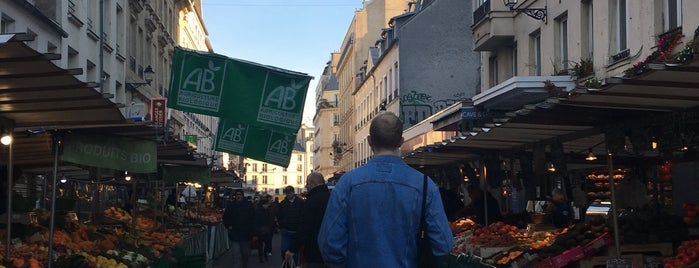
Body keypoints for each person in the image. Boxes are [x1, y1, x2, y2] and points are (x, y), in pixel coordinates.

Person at [317, 112, 454, 267]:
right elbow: (443, 244)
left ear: (369, 141)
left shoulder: (347, 183)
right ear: (401, 142)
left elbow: (329, 242)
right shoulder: (424, 185)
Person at [286, 172, 331, 268]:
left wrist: (292, 249)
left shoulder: (311, 201)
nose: (306, 186)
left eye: (307, 183)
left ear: (313, 183)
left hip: (314, 250)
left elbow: (304, 226)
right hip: (331, 249)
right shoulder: (332, 197)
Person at [223, 189, 254, 268]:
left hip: (246, 234)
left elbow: (253, 218)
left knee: (245, 254)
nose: (238, 196)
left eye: (240, 195)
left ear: (243, 196)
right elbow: (225, 217)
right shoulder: (231, 205)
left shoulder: (248, 205)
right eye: (237, 195)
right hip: (234, 234)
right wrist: (228, 226)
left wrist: (253, 232)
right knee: (236, 254)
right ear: (235, 196)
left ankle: (244, 266)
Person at [277, 185, 304, 264]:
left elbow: (303, 215)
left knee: (295, 251)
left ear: (293, 192)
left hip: (296, 230)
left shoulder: (300, 202)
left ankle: (294, 264)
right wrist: (282, 226)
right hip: (286, 230)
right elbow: (279, 216)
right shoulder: (282, 203)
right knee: (284, 249)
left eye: (289, 193)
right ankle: (285, 264)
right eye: (287, 193)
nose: (288, 194)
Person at [253, 194, 275, 263]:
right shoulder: (258, 212)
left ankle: (264, 255)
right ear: (263, 204)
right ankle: (261, 257)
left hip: (266, 229)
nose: (268, 205)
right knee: (261, 245)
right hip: (260, 230)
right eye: (267, 204)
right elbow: (256, 222)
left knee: (266, 243)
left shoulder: (266, 210)